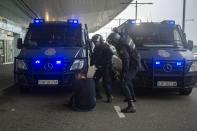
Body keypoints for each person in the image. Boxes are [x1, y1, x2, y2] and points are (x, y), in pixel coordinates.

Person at [107, 32, 141, 113]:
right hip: (135, 62)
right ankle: (133, 98)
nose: (113, 45)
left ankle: (131, 106)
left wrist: (124, 72)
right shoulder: (124, 38)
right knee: (128, 80)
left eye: (112, 43)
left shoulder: (122, 46)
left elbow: (126, 59)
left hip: (133, 64)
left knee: (124, 82)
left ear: (115, 41)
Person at [90, 34, 113, 103]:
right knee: (94, 80)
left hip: (105, 67)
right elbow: (94, 57)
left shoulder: (105, 47)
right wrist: (93, 63)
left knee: (105, 83)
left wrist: (103, 64)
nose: (95, 43)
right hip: (99, 68)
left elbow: (109, 57)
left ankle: (109, 97)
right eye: (94, 42)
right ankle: (98, 95)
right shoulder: (96, 48)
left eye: (96, 42)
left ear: (100, 41)